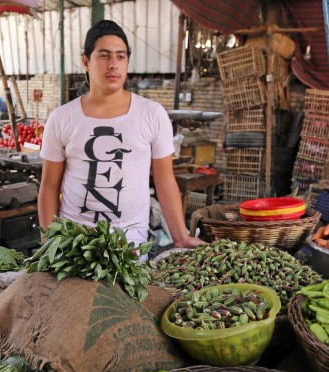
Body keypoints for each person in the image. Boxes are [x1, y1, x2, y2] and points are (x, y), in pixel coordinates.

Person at [38, 19, 205, 252]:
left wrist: (181, 237)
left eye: (121, 56)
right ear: (86, 61)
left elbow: (165, 180)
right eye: (104, 56)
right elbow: (49, 186)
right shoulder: (62, 118)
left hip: (130, 244)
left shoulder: (152, 114)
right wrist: (50, 240)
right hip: (73, 242)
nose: (113, 64)